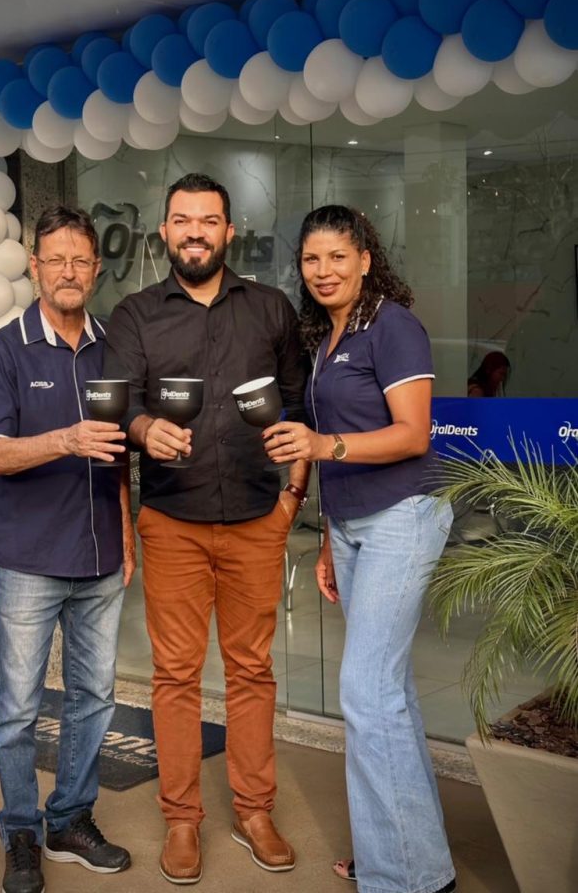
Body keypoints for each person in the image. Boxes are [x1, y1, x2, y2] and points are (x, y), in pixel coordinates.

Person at [104, 172, 310, 885]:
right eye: (183, 220)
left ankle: (255, 812)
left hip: (257, 518)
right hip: (173, 522)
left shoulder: (272, 309)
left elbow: (301, 406)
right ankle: (182, 819)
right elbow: (119, 403)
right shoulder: (135, 315)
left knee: (252, 671)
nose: (196, 232)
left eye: (209, 220)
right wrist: (143, 429)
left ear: (229, 231)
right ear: (165, 231)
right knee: (176, 675)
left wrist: (292, 499)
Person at [264, 205, 456, 893]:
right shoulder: (327, 337)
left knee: (367, 694)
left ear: (366, 259)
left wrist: (323, 444)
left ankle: (402, 877)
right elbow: (338, 454)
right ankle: (404, 858)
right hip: (351, 526)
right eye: (311, 259)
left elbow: (412, 434)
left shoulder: (393, 327)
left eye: (337, 257)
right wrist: (327, 540)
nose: (323, 271)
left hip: (403, 515)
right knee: (389, 694)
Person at [0, 205, 135, 893]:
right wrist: (65, 439)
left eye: (80, 260)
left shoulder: (113, 346)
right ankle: (21, 832)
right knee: (17, 710)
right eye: (56, 259)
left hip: (100, 557)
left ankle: (69, 819)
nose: (69, 271)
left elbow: (122, 455)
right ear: (35, 267)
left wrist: (126, 533)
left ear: (96, 270)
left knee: (94, 698)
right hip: (30, 560)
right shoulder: (4, 350)